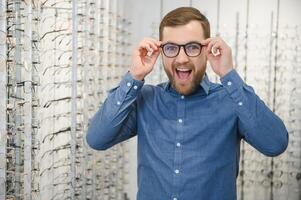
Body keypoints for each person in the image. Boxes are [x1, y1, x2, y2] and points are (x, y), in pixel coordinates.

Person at [86, 7, 288, 200]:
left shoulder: (232, 100)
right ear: (161, 51)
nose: (181, 58)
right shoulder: (145, 99)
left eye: (192, 47)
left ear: (207, 50)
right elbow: (97, 138)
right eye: (171, 48)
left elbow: (275, 144)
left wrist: (229, 74)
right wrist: (134, 76)